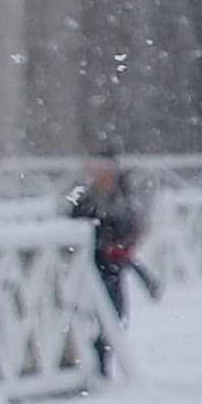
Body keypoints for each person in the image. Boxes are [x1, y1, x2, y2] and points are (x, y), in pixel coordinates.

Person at [60, 153, 146, 374]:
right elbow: (70, 222)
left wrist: (120, 246)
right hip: (87, 268)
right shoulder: (82, 196)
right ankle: (92, 364)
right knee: (89, 317)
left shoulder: (122, 198)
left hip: (112, 267)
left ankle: (102, 363)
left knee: (114, 315)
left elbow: (131, 227)